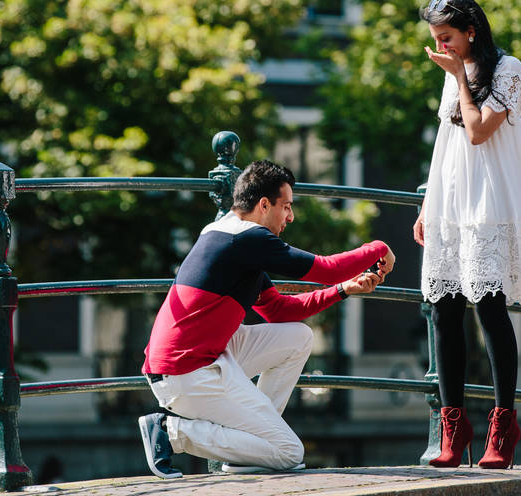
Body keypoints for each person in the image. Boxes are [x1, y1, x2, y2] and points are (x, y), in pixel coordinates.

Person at [137, 159, 395, 479]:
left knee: (298, 337)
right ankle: (170, 432)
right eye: (286, 206)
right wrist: (378, 247)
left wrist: (343, 290)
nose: (291, 216)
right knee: (289, 453)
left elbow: (278, 311)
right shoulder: (246, 239)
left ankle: (252, 446)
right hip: (185, 372)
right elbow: (326, 268)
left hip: (201, 357)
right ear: (263, 205)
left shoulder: (228, 235)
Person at [414, 0, 521, 469]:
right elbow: (446, 144)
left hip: (490, 201)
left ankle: (503, 427)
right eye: (435, 39)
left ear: (470, 30)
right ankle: (453, 428)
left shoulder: (508, 69)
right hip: (452, 203)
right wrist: (427, 206)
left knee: (490, 309)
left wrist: (459, 79)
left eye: (445, 37)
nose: (440, 47)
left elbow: (477, 132)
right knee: (443, 310)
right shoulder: (454, 75)